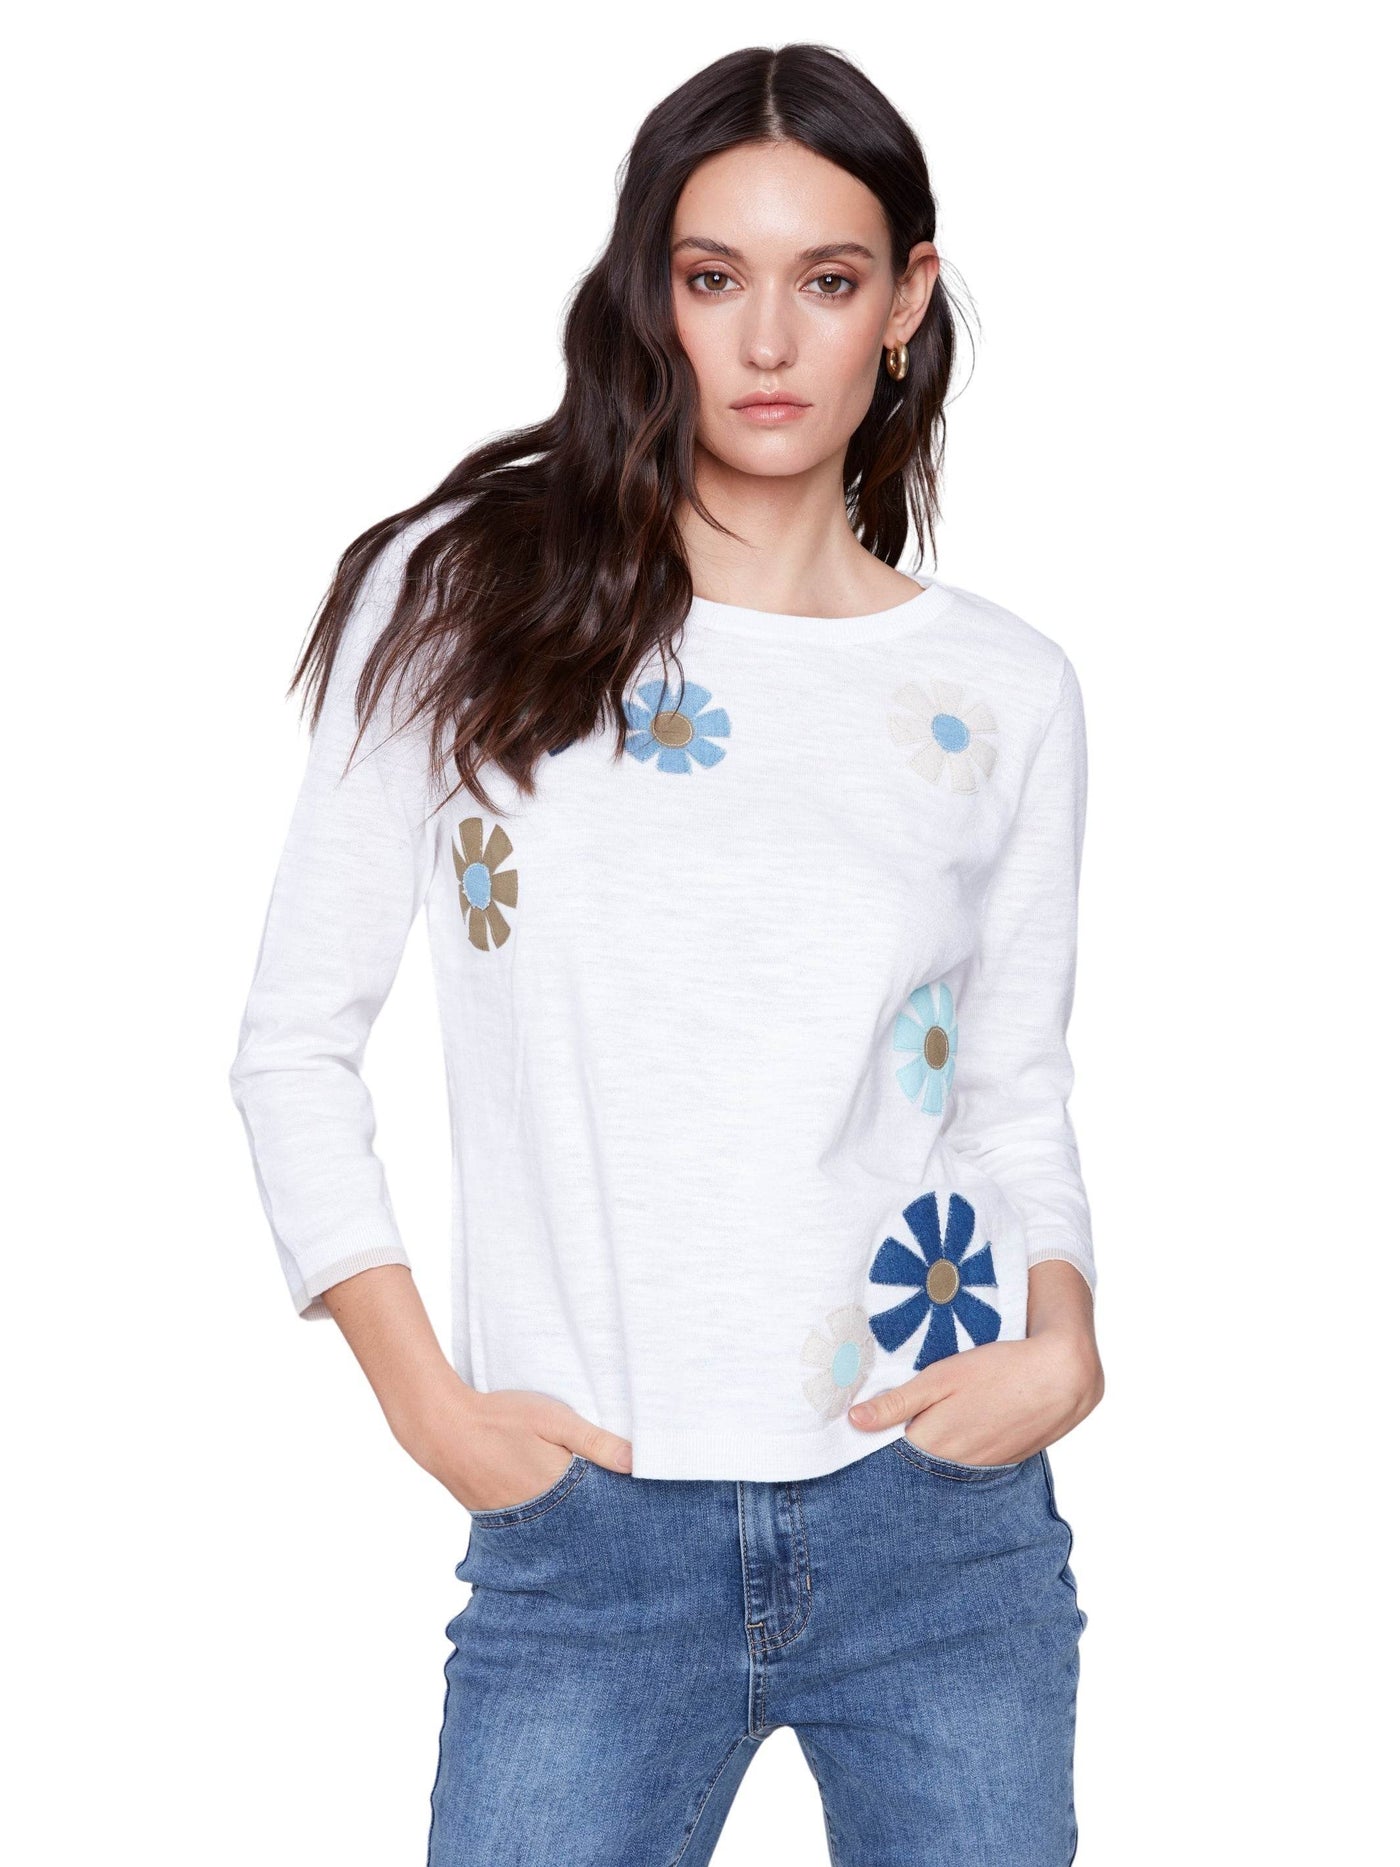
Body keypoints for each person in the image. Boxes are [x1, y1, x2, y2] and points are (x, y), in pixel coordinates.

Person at [228, 40, 1105, 1867]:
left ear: (905, 304)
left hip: (937, 1515)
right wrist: (433, 1413)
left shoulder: (1002, 688)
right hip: (589, 1536)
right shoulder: (464, 597)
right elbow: (295, 1045)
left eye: (827, 281)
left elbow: (1011, 1084)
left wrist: (1067, 1339)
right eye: (715, 278)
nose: (767, 342)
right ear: (654, 294)